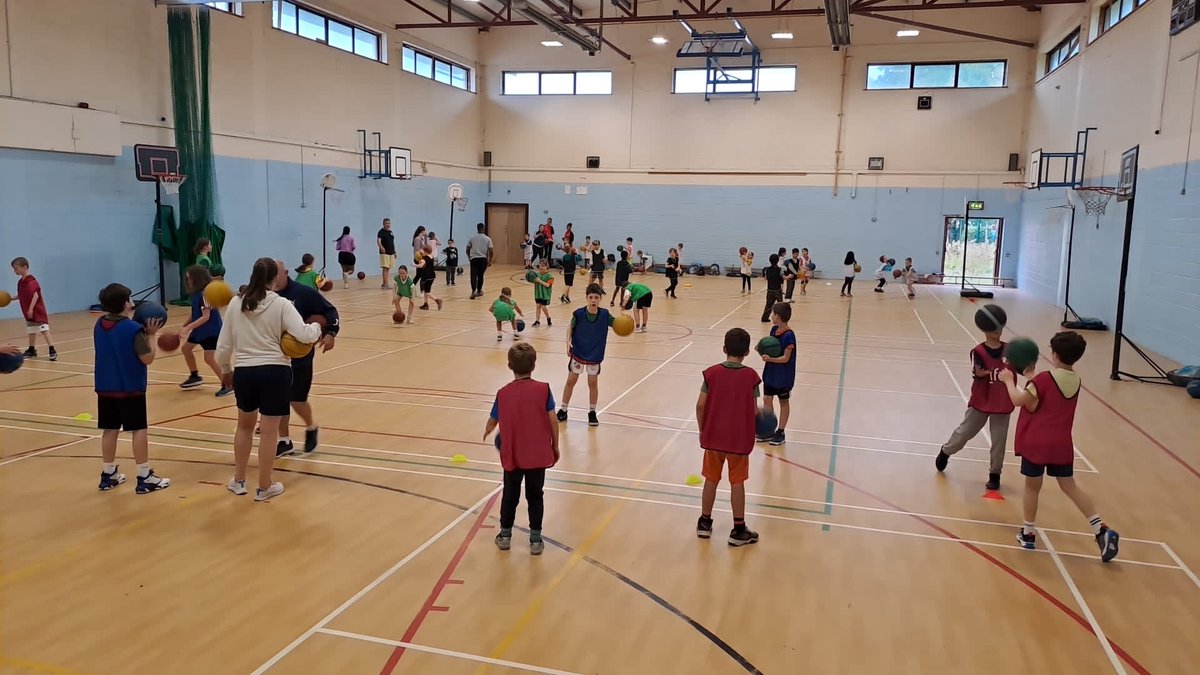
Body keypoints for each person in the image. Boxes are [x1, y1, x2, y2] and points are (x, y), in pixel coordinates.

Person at [998, 332, 1120, 562]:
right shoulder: (1075, 380)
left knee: (1032, 487)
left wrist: (1008, 381)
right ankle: (1100, 529)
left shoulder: (1042, 380)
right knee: (1070, 486)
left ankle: (1028, 533)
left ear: (1053, 354)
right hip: (1061, 443)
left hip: (1037, 443)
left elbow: (1019, 400)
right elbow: (1041, 400)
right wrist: (1032, 377)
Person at [215, 258, 322, 501]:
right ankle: (264, 487)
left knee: (244, 426)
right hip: (275, 372)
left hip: (244, 371)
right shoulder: (282, 304)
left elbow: (223, 345)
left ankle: (239, 481)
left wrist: (225, 369)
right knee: (269, 432)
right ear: (275, 279)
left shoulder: (235, 303)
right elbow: (304, 335)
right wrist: (316, 327)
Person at [93, 283, 171, 494]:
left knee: (109, 430)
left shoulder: (99, 324)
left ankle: (108, 475)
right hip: (129, 388)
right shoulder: (132, 329)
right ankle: (144, 476)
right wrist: (152, 335)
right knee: (138, 430)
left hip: (105, 387)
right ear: (126, 303)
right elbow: (147, 358)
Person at [484, 342, 560, 555]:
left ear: (509, 365)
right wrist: (555, 445)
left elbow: (493, 420)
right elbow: (553, 419)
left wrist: (488, 430)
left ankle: (505, 535)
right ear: (534, 365)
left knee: (510, 494)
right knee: (536, 496)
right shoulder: (543, 389)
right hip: (537, 455)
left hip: (514, 454)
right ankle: (535, 540)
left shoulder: (503, 393)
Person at [935, 306, 1014, 491]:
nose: (998, 332)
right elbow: (978, 371)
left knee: (999, 441)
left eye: (1000, 328)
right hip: (981, 401)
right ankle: (946, 450)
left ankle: (995, 474)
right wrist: (980, 374)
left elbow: (1021, 368)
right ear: (985, 330)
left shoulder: (1011, 351)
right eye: (994, 329)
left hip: (1002, 402)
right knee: (964, 433)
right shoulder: (978, 351)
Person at [696, 327, 761, 546]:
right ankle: (738, 530)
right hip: (738, 440)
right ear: (747, 352)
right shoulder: (751, 377)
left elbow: (700, 405)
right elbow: (754, 412)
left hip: (714, 437)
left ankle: (704, 523)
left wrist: (702, 429)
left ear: (724, 349)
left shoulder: (711, 373)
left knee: (711, 479)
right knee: (737, 482)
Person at [272, 260, 340, 456]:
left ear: (285, 273)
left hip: (301, 356)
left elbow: (330, 312)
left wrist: (330, 333)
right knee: (279, 399)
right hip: (277, 356)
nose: (272, 280)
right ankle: (284, 441)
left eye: (275, 274)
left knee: (296, 400)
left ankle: (311, 427)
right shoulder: (267, 296)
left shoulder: (303, 293)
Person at [558, 284, 614, 427]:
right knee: (571, 381)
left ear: (600, 299)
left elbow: (618, 324)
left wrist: (626, 323)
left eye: (596, 297)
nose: (593, 300)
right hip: (578, 351)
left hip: (595, 353)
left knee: (592, 383)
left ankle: (592, 412)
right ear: (586, 298)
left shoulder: (605, 315)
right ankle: (563, 409)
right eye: (591, 297)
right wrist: (567, 341)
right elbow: (570, 327)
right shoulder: (579, 314)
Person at [179, 265, 231, 396]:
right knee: (186, 349)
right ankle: (195, 376)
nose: (187, 281)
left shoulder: (206, 294)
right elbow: (195, 313)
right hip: (199, 330)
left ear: (197, 279)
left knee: (209, 358)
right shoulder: (196, 294)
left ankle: (228, 384)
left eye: (189, 278)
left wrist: (188, 328)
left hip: (210, 331)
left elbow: (206, 317)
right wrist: (185, 324)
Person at [758, 302, 796, 446]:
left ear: (778, 316)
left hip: (783, 375)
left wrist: (770, 358)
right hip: (771, 373)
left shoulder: (789, 336)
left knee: (783, 402)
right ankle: (768, 429)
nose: (771, 316)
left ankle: (780, 431)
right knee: (767, 399)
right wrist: (761, 350)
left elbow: (785, 358)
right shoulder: (774, 330)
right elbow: (770, 348)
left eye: (773, 314)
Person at [11, 257, 56, 361]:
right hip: (28, 312)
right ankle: (31, 350)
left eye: (16, 268)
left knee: (44, 329)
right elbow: (21, 295)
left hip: (37, 311)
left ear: (25, 267)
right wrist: (10, 298)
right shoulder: (21, 282)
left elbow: (35, 295)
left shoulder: (31, 281)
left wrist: (31, 309)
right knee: (31, 330)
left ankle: (52, 349)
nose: (15, 271)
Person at [467, 223, 493, 299]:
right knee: (480, 275)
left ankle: (473, 291)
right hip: (483, 259)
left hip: (474, 259)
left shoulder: (472, 238)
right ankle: (479, 291)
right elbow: (491, 251)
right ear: (483, 228)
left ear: (477, 228)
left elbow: (467, 249)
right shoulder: (488, 239)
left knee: (473, 275)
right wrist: (490, 261)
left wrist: (469, 257)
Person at [415, 246, 443, 311]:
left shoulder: (424, 258)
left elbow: (421, 265)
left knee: (427, 292)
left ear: (425, 251)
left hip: (427, 276)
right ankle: (425, 305)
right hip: (432, 275)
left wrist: (414, 265)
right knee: (426, 291)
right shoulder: (432, 256)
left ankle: (437, 300)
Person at [761, 254, 784, 322]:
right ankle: (781, 318)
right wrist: (789, 276)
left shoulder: (767, 269)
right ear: (777, 261)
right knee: (780, 305)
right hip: (778, 290)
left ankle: (764, 318)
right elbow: (783, 278)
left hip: (770, 290)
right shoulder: (780, 270)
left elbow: (766, 278)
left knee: (768, 305)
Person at [531, 260, 554, 327]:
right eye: (540, 266)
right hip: (538, 293)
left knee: (543, 307)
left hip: (545, 295)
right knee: (538, 307)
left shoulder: (550, 276)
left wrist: (539, 280)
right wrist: (532, 279)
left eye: (543, 266)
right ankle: (537, 321)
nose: (541, 267)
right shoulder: (537, 274)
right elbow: (534, 281)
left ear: (547, 266)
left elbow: (547, 285)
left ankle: (548, 318)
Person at [378, 218, 396, 290]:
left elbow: (392, 243)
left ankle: (384, 283)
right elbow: (378, 241)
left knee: (388, 268)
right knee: (385, 268)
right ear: (383, 224)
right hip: (384, 253)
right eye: (386, 223)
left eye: (389, 223)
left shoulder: (391, 232)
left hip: (391, 252)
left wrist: (395, 252)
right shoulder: (381, 232)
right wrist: (381, 247)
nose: (388, 224)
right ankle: (386, 284)